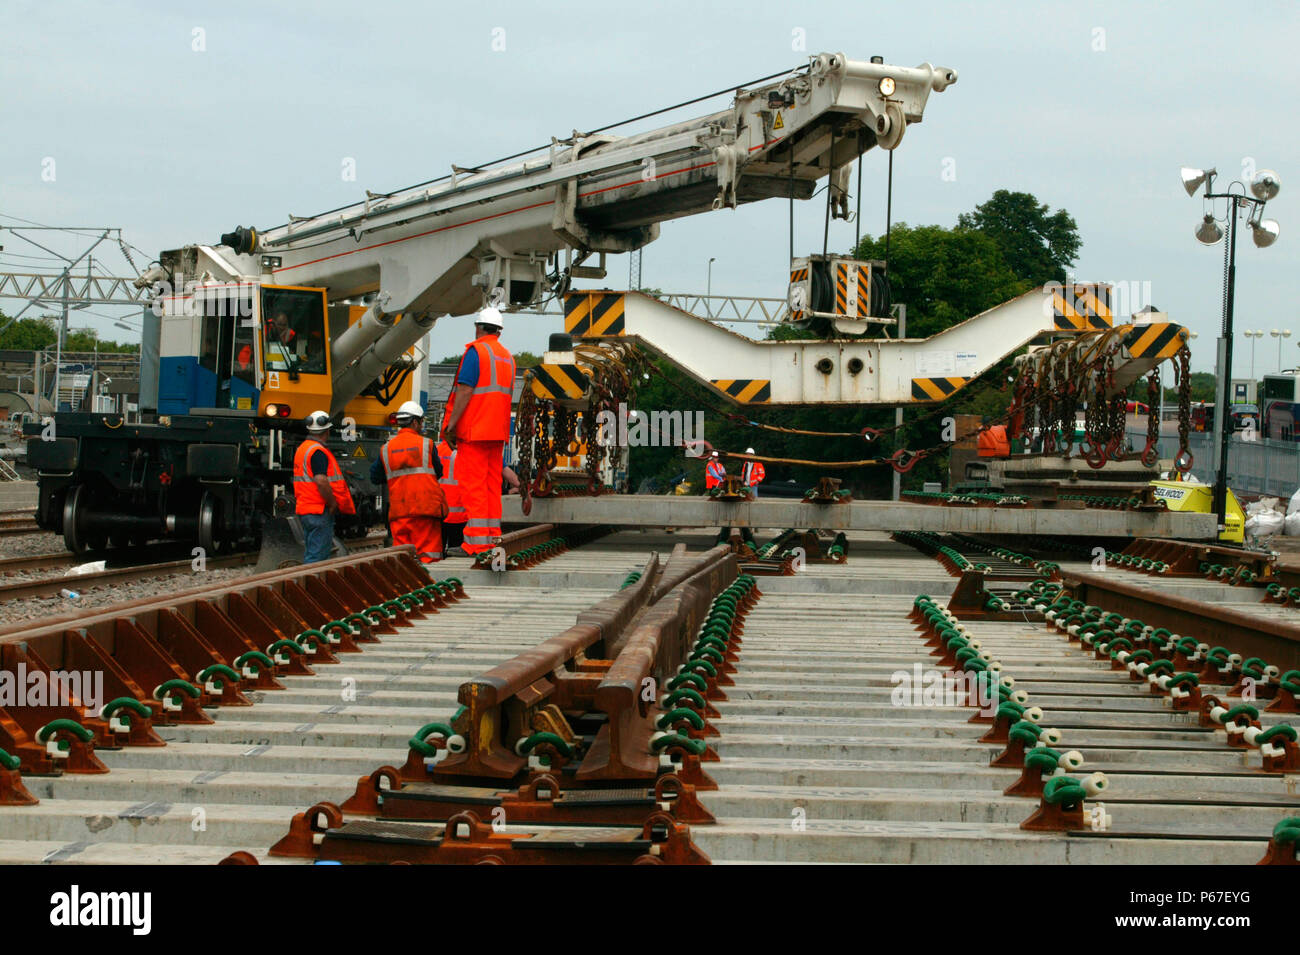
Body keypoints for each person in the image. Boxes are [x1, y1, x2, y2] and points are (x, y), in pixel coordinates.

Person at [440, 306, 515, 555]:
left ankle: (476, 543)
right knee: (491, 486)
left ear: (478, 327)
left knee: (473, 487)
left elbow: (465, 390)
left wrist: (451, 425)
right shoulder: (507, 357)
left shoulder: (476, 352)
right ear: (500, 331)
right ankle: (492, 538)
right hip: (498, 433)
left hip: (475, 431)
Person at [371, 400, 446, 563]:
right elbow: (438, 471)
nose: (422, 426)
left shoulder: (386, 449)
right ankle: (429, 585)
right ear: (414, 422)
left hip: (400, 511)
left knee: (404, 558)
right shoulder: (427, 444)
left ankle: (406, 587)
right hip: (425, 509)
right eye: (421, 422)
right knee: (428, 555)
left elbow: (375, 477)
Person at [293, 411, 356, 563]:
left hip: (305, 508)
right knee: (317, 558)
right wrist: (332, 503)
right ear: (327, 431)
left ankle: (307, 582)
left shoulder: (303, 449)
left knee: (311, 552)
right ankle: (311, 585)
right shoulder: (318, 451)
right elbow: (321, 481)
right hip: (319, 509)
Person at [437, 436, 467, 551]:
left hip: (439, 511)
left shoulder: (436, 450)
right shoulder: (463, 453)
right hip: (459, 514)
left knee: (437, 551)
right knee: (455, 551)